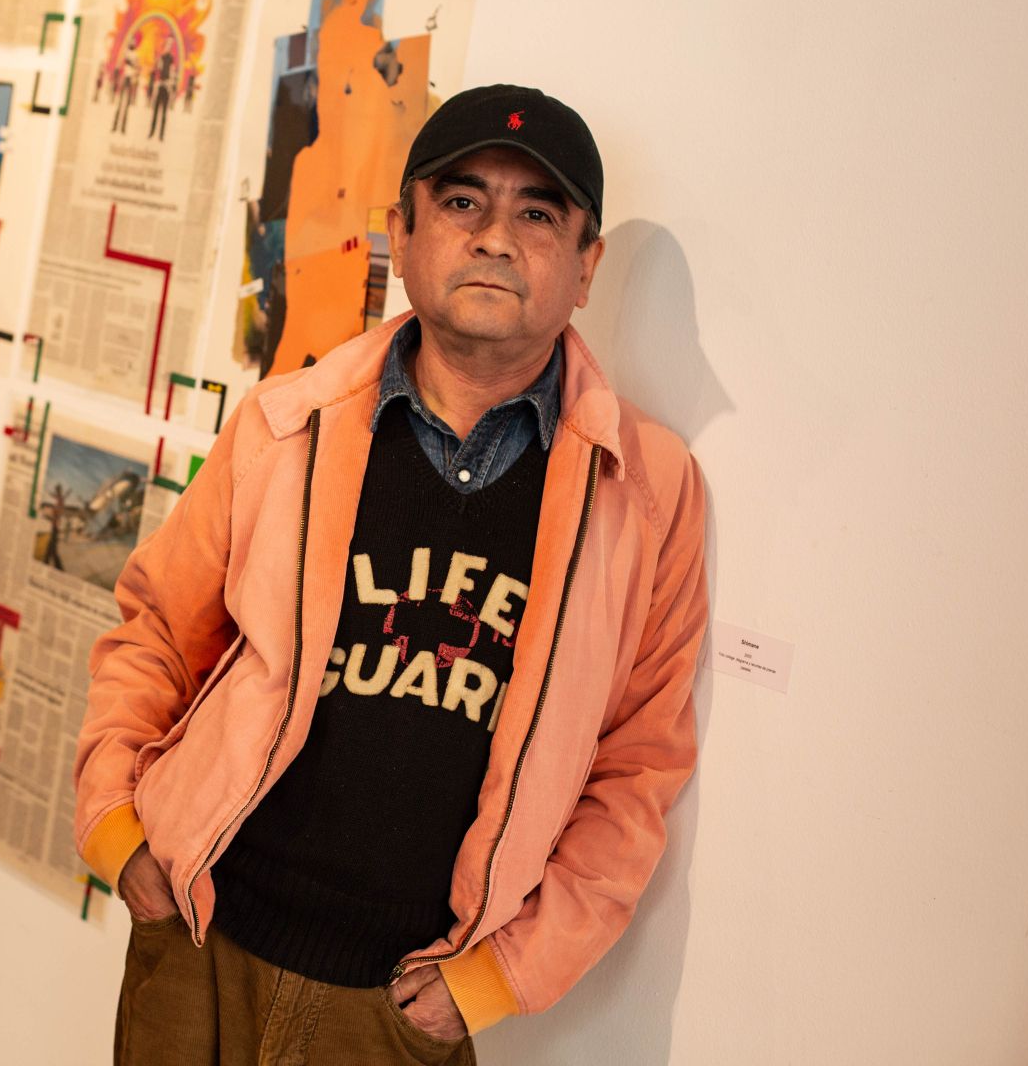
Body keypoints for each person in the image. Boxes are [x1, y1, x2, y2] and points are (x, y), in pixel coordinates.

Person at [74, 85, 710, 1063]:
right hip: (200, 943)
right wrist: (119, 829)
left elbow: (637, 766)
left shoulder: (648, 490)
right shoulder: (285, 424)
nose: (495, 238)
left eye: (538, 214)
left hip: (399, 1011)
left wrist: (502, 975)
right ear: (401, 234)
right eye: (461, 202)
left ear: (586, 266)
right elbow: (156, 630)